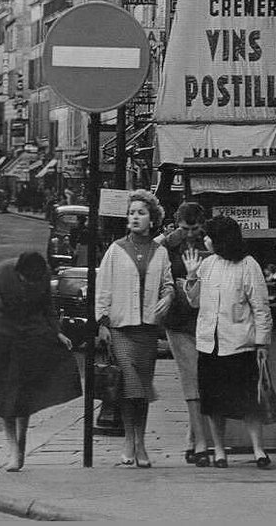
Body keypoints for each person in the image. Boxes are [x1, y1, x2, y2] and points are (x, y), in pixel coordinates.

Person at [0, 251, 82, 472]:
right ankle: (13, 450)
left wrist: (57, 332)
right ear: (18, 272)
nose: (29, 283)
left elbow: (48, 308)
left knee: (25, 397)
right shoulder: (2, 272)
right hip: (2, 338)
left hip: (31, 339)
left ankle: (21, 448)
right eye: (25, 280)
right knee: (6, 399)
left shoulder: (42, 274)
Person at [183, 215, 273, 469]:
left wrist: (262, 343)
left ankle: (258, 449)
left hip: (239, 343)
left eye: (210, 235)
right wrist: (191, 277)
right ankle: (219, 450)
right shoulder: (207, 264)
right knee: (214, 403)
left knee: (248, 402)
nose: (206, 240)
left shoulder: (248, 265)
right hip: (210, 344)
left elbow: (261, 307)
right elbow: (194, 301)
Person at [96, 189, 174, 468]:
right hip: (121, 327)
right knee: (130, 387)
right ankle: (130, 440)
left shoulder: (160, 251)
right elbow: (102, 287)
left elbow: (168, 283)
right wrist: (102, 323)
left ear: (152, 219)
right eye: (131, 213)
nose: (135, 217)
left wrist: (168, 296)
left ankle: (140, 441)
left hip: (147, 330)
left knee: (141, 389)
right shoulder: (116, 250)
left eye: (141, 213)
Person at [159, 201, 212, 466]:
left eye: (194, 228)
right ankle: (200, 442)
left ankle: (193, 441)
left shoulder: (209, 244)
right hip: (179, 322)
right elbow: (151, 252)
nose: (190, 233)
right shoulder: (169, 245)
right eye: (184, 228)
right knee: (192, 378)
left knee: (202, 380)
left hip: (205, 320)